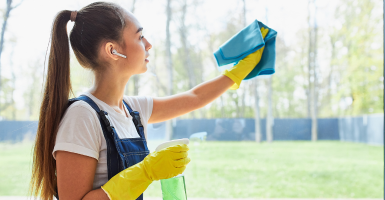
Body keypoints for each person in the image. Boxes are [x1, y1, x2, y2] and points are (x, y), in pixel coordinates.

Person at [29, 2, 268, 200]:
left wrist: (237, 72)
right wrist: (145, 172)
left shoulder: (132, 109)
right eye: (140, 36)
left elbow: (194, 98)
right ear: (113, 50)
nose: (149, 44)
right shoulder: (82, 116)